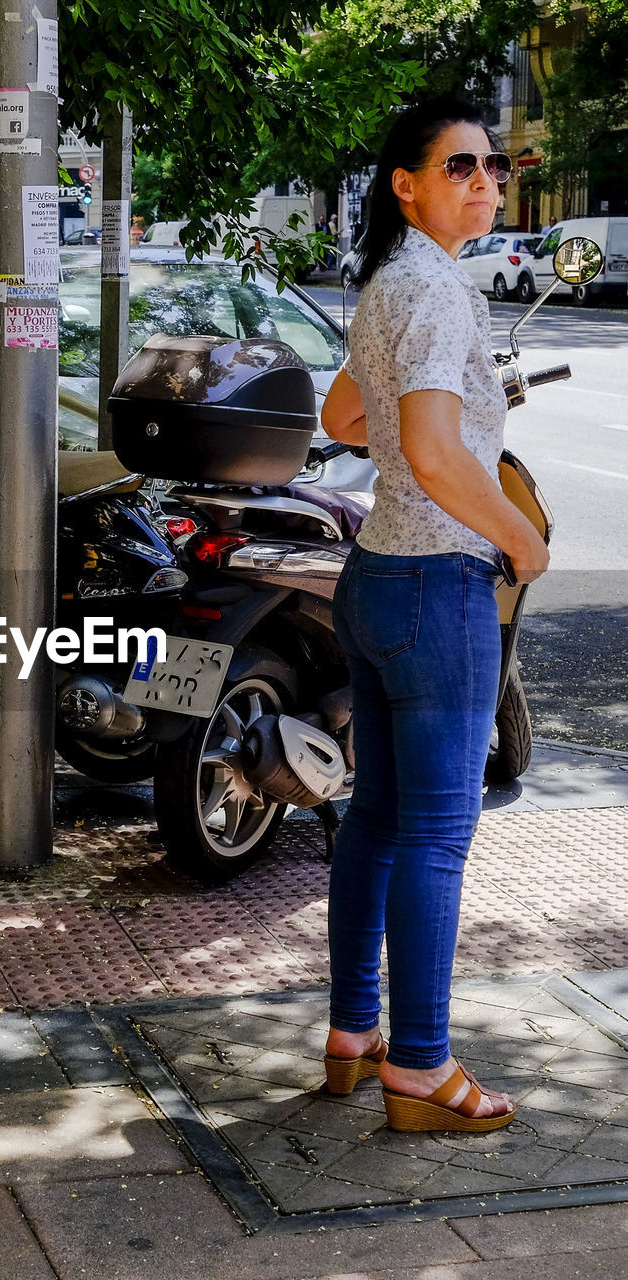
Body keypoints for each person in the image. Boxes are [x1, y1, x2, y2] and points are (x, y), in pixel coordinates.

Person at [319, 96, 549, 1133]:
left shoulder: (391, 282)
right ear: (405, 184)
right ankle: (421, 1064)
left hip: (373, 575)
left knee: (375, 818)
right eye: (461, 165)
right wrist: (520, 536)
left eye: (494, 165)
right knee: (436, 838)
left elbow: (342, 416)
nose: (486, 180)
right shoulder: (435, 289)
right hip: (437, 585)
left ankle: (353, 1033)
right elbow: (434, 451)